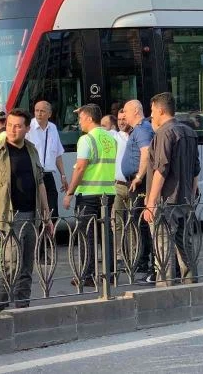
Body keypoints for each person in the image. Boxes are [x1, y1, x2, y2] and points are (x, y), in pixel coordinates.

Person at [0, 109, 51, 315]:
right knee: (10, 265)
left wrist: (46, 214)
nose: (12, 130)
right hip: (8, 217)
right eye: (9, 125)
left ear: (27, 128)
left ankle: (22, 307)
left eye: (18, 126)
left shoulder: (32, 149)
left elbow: (40, 183)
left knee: (26, 266)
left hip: (31, 215)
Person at [143, 92, 200, 286]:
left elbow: (161, 169)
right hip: (184, 198)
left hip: (166, 200)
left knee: (162, 245)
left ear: (160, 110)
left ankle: (164, 287)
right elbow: (195, 170)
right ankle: (191, 282)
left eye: (152, 110)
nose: (151, 115)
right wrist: (191, 196)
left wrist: (150, 202)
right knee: (185, 243)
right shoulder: (189, 132)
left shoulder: (164, 133)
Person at [63, 104, 116, 288]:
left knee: (87, 236)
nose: (79, 122)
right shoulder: (110, 138)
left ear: (89, 118)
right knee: (105, 235)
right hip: (109, 193)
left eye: (80, 118)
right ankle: (110, 274)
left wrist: (70, 192)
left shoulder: (86, 140)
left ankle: (87, 275)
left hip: (89, 195)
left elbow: (80, 167)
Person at [121, 100, 155, 280]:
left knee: (142, 223)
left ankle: (145, 261)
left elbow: (146, 151)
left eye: (125, 111)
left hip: (138, 183)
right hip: (136, 181)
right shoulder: (139, 129)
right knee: (138, 222)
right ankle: (142, 259)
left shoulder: (141, 129)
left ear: (135, 110)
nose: (124, 115)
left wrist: (139, 176)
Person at [27, 100, 67, 219]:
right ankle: (38, 236)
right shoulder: (29, 128)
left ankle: (51, 236)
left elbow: (58, 154)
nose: (39, 113)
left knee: (52, 211)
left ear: (49, 114)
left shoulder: (53, 128)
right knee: (36, 212)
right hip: (32, 174)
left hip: (48, 175)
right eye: (36, 110)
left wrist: (63, 175)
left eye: (42, 111)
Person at [112, 109, 130, 266]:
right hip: (118, 186)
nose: (122, 122)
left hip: (133, 186)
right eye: (119, 119)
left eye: (124, 119)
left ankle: (133, 254)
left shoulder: (137, 136)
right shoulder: (114, 137)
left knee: (132, 223)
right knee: (116, 222)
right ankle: (119, 255)